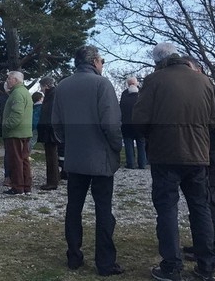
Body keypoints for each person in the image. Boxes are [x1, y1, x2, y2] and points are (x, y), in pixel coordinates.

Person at [132, 43, 215, 281]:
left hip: (165, 154)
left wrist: (153, 135)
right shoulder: (204, 81)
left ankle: (171, 267)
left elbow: (139, 121)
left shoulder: (153, 81)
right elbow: (212, 120)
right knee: (200, 209)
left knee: (167, 209)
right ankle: (207, 267)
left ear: (158, 61)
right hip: (198, 154)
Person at [53, 46, 124, 277]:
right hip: (101, 157)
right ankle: (105, 262)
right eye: (102, 60)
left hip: (75, 157)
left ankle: (73, 256)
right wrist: (116, 147)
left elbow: (57, 124)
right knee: (103, 210)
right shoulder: (101, 85)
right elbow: (111, 124)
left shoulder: (62, 86)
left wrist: (69, 143)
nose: (102, 64)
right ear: (95, 62)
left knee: (74, 207)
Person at [180, 56, 215, 265]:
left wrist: (205, 145)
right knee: (198, 203)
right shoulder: (193, 94)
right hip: (195, 156)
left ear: (199, 70)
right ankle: (203, 244)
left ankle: (213, 247)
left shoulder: (214, 92)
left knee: (208, 203)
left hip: (208, 157)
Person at [2, 71, 33, 195]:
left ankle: (18, 187)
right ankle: (26, 186)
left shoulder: (17, 93)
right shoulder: (24, 92)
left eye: (9, 78)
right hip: (24, 132)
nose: (7, 81)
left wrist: (6, 125)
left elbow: (17, 114)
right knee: (24, 159)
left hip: (16, 133)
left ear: (15, 80)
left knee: (16, 160)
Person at [36, 76, 61, 190]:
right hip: (50, 129)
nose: (41, 90)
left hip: (50, 130)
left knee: (51, 157)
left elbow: (49, 114)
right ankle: (54, 179)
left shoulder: (52, 96)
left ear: (46, 86)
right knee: (52, 156)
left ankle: (52, 181)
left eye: (41, 87)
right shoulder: (54, 95)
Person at [119, 77, 147, 169]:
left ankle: (131, 164)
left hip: (126, 124)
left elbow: (121, 108)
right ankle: (142, 164)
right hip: (140, 123)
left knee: (128, 145)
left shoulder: (124, 94)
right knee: (141, 144)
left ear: (128, 84)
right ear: (136, 84)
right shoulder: (142, 94)